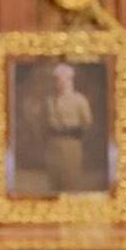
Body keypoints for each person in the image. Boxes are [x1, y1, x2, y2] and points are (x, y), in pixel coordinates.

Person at [42, 62, 94, 192]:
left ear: (70, 80)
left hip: (71, 145)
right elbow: (43, 123)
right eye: (57, 79)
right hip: (53, 146)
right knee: (54, 183)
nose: (59, 83)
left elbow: (87, 122)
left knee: (71, 182)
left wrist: (72, 131)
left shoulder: (79, 100)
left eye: (62, 79)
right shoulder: (49, 100)